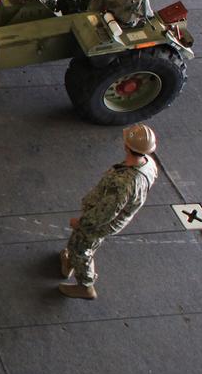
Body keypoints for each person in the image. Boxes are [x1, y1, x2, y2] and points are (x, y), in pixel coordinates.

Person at [57, 125, 158, 299]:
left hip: (99, 222)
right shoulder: (149, 165)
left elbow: (106, 213)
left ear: (127, 147)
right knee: (79, 244)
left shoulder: (124, 183)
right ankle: (69, 262)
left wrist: (81, 223)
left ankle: (85, 286)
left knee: (83, 249)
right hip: (108, 217)